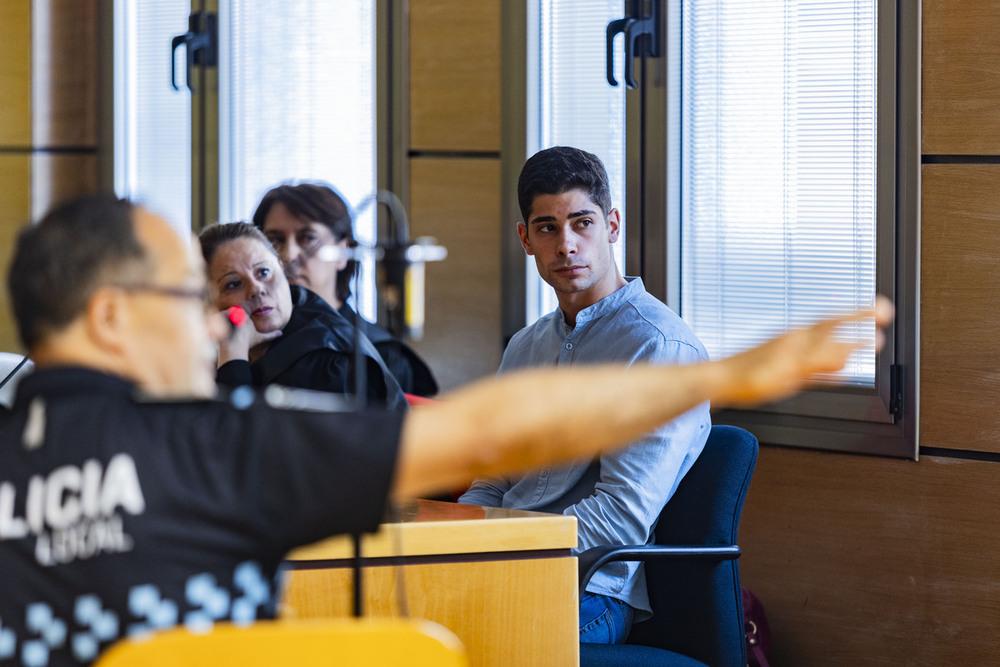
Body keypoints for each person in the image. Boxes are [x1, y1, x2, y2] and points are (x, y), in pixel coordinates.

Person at [0, 193, 889, 666]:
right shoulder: (214, 449)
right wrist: (726, 378)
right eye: (190, 297)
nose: (218, 321)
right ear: (112, 318)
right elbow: (493, 432)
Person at [460, 146, 705, 644]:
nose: (566, 244)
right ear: (526, 239)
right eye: (547, 227)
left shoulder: (659, 348)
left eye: (582, 223)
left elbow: (621, 514)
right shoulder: (525, 348)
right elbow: (492, 483)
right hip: (504, 567)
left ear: (612, 225)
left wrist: (507, 550)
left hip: (588, 591)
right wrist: (453, 545)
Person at [252, 182, 438, 396]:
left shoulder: (380, 355)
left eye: (308, 238)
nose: (289, 255)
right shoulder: (244, 343)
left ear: (343, 251)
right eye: (275, 240)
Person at [199, 221, 407, 410]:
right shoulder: (203, 353)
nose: (256, 289)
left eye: (263, 272)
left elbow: (235, 444)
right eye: (233, 284)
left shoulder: (325, 361)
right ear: (207, 303)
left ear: (282, 269)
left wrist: (233, 354)